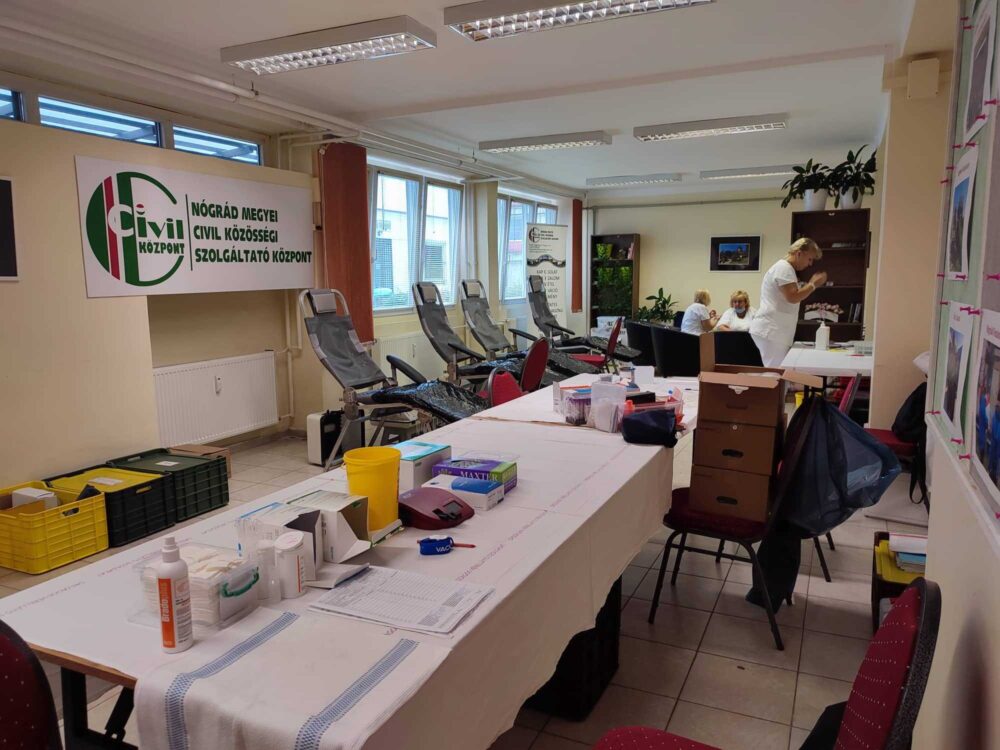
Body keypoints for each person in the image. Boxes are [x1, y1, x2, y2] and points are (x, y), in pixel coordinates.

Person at [750, 238, 827, 366]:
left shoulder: (785, 268)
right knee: (776, 373)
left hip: (774, 331)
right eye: (809, 259)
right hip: (772, 331)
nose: (810, 264)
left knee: (777, 371)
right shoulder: (784, 268)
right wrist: (813, 284)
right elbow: (792, 297)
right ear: (799, 253)